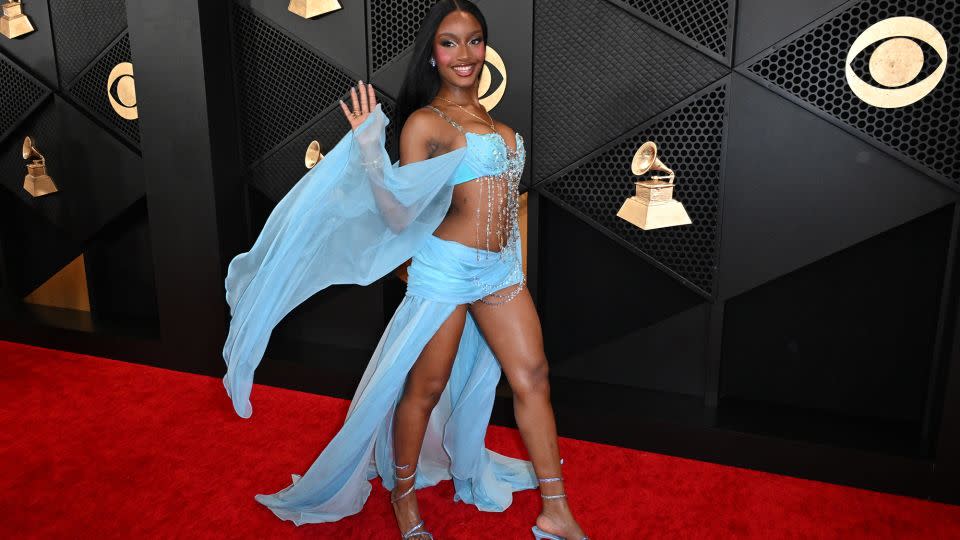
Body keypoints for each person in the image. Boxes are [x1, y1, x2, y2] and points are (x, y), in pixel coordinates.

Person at [221, 1, 588, 539]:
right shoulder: (426, 122)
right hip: (446, 269)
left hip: (501, 271)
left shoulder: (500, 126)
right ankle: (404, 496)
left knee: (533, 377)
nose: (464, 54)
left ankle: (557, 511)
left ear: (486, 47)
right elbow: (398, 216)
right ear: (433, 54)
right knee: (426, 387)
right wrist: (371, 151)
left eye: (473, 39)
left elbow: (510, 208)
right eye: (449, 42)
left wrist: (516, 268)